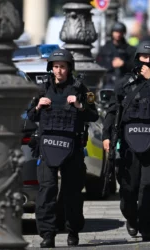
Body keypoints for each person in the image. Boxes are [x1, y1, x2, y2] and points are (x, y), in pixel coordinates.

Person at [102, 40, 150, 241]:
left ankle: (147, 227)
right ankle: (131, 218)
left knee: (149, 187)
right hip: (128, 144)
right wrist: (106, 136)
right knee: (128, 190)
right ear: (137, 58)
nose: (148, 61)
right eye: (145, 57)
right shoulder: (124, 83)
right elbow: (112, 111)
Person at [27, 49, 99, 248]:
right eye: (56, 67)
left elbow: (93, 115)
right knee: (46, 192)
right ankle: (47, 235)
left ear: (69, 68)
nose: (59, 71)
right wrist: (38, 107)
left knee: (72, 193)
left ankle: (72, 231)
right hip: (47, 146)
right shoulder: (42, 89)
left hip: (73, 147)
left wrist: (79, 105)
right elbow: (31, 117)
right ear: (51, 68)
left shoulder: (80, 88)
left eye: (63, 67)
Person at [96, 22, 136, 89]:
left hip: (125, 81)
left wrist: (123, 64)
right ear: (112, 32)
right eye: (116, 31)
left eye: (120, 32)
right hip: (109, 81)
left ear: (124, 33)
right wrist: (111, 64)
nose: (118, 34)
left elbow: (134, 65)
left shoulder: (130, 49)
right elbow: (98, 63)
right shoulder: (105, 48)